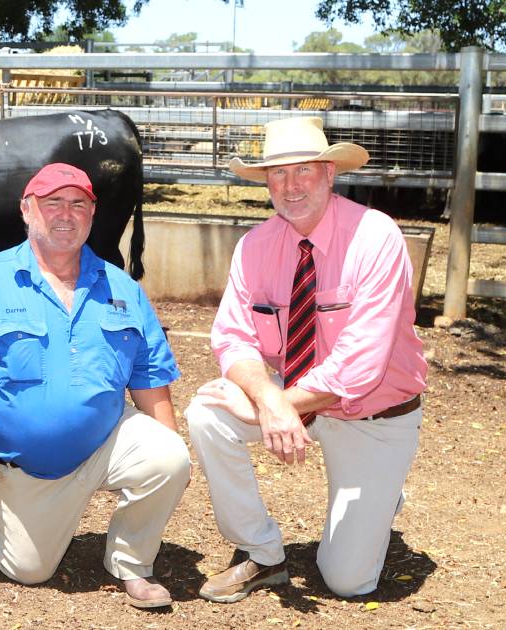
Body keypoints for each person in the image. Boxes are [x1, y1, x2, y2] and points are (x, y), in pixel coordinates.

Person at [184, 117, 427, 602]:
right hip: (295, 396)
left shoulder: (376, 237)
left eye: (303, 171)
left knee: (346, 581)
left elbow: (360, 366)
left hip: (371, 413)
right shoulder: (255, 246)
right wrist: (270, 399)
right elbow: (231, 338)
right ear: (266, 182)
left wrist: (272, 406)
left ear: (331, 173)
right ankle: (262, 553)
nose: (290, 186)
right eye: (277, 174)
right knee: (206, 413)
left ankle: (380, 496)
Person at [0, 162, 190, 609]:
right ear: (27, 211)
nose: (65, 215)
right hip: (27, 466)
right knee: (29, 572)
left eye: (78, 204)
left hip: (105, 440)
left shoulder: (121, 286)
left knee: (169, 456)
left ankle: (131, 562)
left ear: (93, 214)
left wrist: (168, 470)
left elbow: (149, 379)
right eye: (52, 204)